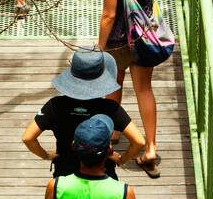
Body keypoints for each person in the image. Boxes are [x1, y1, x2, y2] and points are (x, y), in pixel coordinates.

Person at [96, 0, 161, 178]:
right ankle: (151, 148)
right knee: (144, 89)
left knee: (114, 87)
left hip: (120, 39)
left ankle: (111, 132)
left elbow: (109, 15)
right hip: (146, 33)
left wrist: (100, 47)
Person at [22, 49, 146, 180]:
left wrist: (46, 155)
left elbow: (28, 138)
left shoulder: (55, 105)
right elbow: (139, 141)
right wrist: (121, 159)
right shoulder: (110, 108)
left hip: (65, 175)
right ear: (102, 78)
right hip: (103, 174)